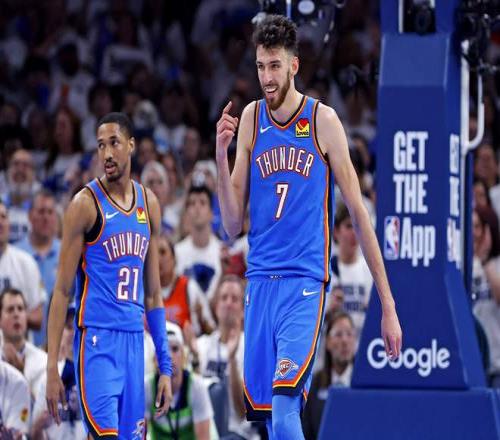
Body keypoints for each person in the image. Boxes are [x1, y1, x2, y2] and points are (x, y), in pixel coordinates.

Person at [215, 15, 402, 439]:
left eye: (275, 66)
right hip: (259, 281)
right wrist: (221, 155)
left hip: (303, 282)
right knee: (271, 421)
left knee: (284, 409)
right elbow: (230, 224)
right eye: (260, 66)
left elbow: (359, 214)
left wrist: (388, 306)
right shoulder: (251, 118)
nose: (267, 77)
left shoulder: (322, 120)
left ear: (294, 65)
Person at [46, 112, 173, 439]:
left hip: (134, 342)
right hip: (97, 342)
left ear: (131, 145)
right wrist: (51, 368)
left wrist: (165, 367)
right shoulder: (84, 205)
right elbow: (61, 291)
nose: (106, 153)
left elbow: (153, 295)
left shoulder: (149, 204)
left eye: (114, 143)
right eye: (100, 145)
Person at [145, 321, 215, 440]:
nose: (169, 356)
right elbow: (138, 434)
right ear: (154, 359)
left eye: (175, 349)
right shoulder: (146, 387)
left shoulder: (197, 386)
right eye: (163, 350)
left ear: (184, 356)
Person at [302, 312, 356, 440]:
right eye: (338, 334)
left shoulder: (364, 384)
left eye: (349, 334)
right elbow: (307, 431)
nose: (345, 341)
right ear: (327, 342)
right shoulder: (314, 385)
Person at [0, 287, 47, 397]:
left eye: (20, 309)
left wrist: (20, 376)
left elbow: (41, 405)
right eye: (10, 310)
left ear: (26, 317)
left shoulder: (43, 361)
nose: (16, 314)